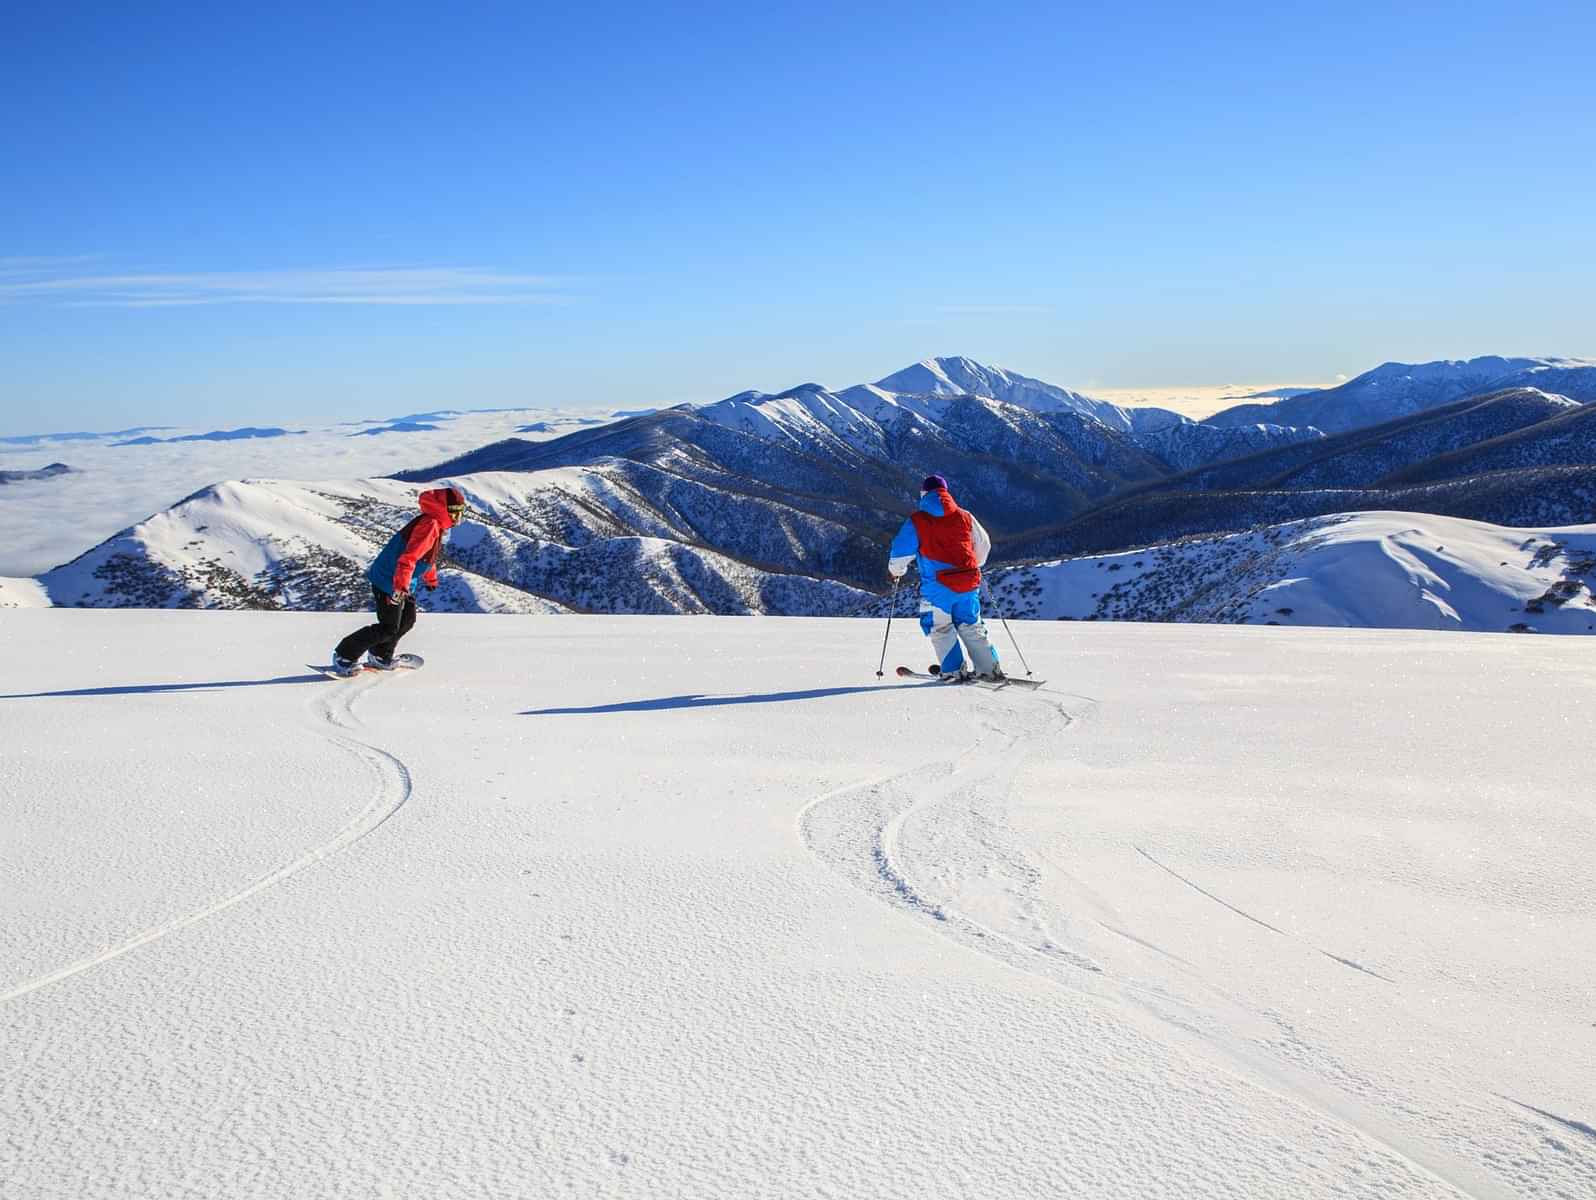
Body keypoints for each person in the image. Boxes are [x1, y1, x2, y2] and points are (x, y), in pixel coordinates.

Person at [331, 486, 467, 673]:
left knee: (406, 621)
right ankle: (344, 655)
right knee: (388, 627)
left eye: (460, 512)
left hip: (401, 581)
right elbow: (408, 558)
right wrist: (400, 587)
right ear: (443, 509)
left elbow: (426, 557)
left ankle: (381, 655)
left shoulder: (435, 525)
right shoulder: (430, 525)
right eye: (454, 512)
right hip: (390, 580)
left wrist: (430, 579)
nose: (457, 517)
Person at [887, 474, 1004, 682]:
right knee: (972, 626)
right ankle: (990, 669)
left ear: (924, 494)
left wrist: (896, 572)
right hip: (968, 582)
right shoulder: (965, 515)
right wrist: (971, 566)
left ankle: (953, 670)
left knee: (940, 627)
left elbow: (899, 551)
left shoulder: (918, 520)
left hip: (938, 587)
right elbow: (983, 544)